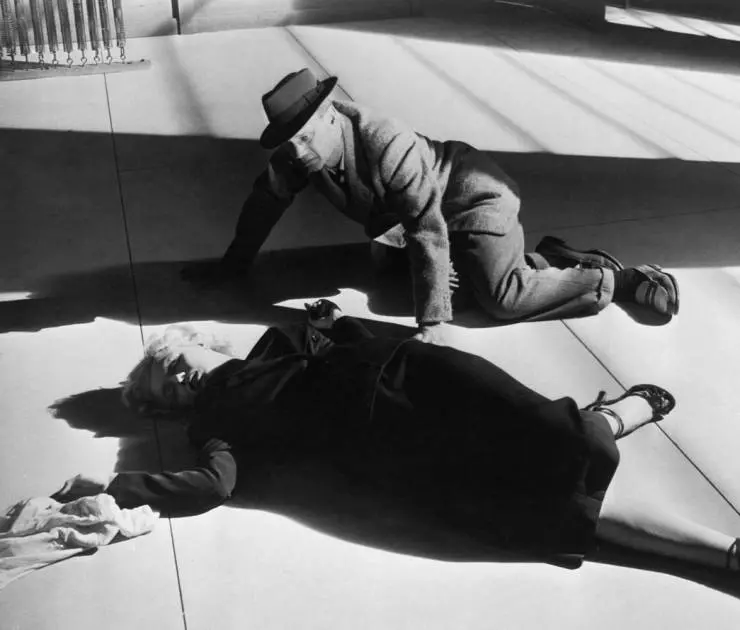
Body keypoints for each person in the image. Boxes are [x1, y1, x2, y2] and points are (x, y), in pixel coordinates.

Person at [52, 300, 738, 574]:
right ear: (174, 410)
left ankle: (614, 417)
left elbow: (348, 331)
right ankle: (727, 553)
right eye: (169, 387)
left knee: (546, 429)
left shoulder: (280, 340)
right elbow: (213, 485)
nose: (180, 376)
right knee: (553, 512)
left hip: (424, 376)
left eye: (175, 360)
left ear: (201, 340)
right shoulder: (218, 422)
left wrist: (338, 325)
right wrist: (123, 486)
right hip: (398, 440)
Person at [182, 68, 680, 345]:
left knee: (501, 300)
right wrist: (230, 268)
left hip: (474, 200)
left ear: (331, 117)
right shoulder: (299, 153)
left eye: (305, 136)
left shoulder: (386, 142)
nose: (297, 151)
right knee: (393, 288)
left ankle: (616, 280)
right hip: (413, 221)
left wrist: (433, 324)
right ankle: (549, 259)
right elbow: (262, 206)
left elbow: (428, 229)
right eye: (289, 142)